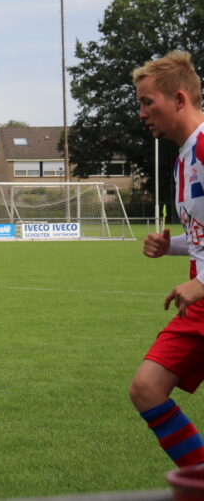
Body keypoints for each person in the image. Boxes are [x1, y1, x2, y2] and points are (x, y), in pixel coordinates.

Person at [130, 50, 204, 466]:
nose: (142, 113)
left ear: (178, 99)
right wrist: (171, 246)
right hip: (200, 304)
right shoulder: (184, 158)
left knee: (147, 388)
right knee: (147, 389)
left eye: (148, 102)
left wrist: (203, 281)